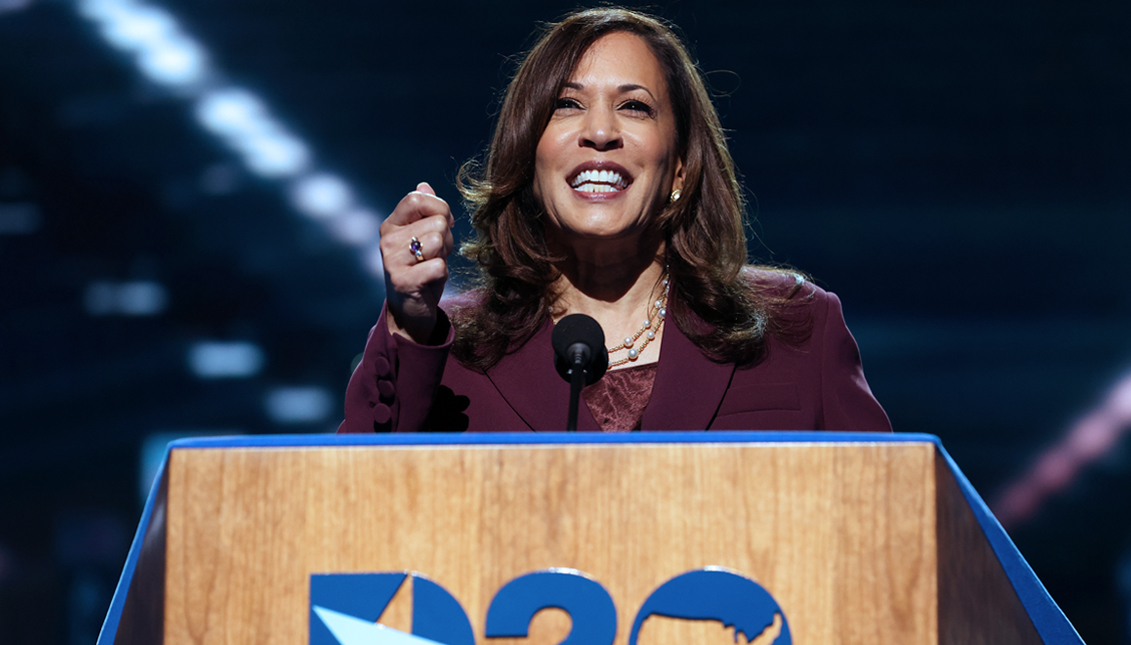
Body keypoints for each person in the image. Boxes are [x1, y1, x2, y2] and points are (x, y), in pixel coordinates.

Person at [338, 8, 891, 434]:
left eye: (634, 106)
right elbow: (350, 512)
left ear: (678, 167)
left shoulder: (798, 326)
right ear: (530, 160)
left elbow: (892, 523)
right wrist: (409, 324)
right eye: (566, 104)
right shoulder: (450, 346)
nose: (600, 132)